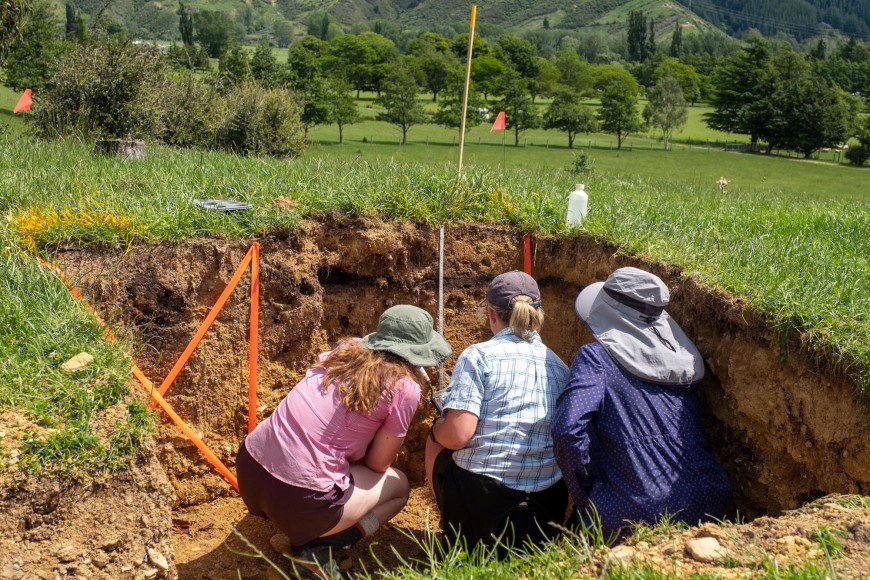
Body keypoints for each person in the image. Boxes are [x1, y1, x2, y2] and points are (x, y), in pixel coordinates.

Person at [236, 305, 451, 578]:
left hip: (250, 471)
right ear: (418, 352)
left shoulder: (345, 350)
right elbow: (377, 464)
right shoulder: (405, 388)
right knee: (399, 486)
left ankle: (301, 524)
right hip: (302, 500)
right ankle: (320, 548)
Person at [552, 267, 731, 541]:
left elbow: (567, 431)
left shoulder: (596, 358)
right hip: (709, 499)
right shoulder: (686, 362)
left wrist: (587, 496)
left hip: (630, 509)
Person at [425, 271, 571, 554]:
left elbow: (457, 435)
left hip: (483, 501)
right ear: (536, 314)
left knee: (436, 440)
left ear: (491, 314)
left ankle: (453, 529)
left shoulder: (478, 356)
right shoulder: (559, 365)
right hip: (546, 506)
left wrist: (437, 426)